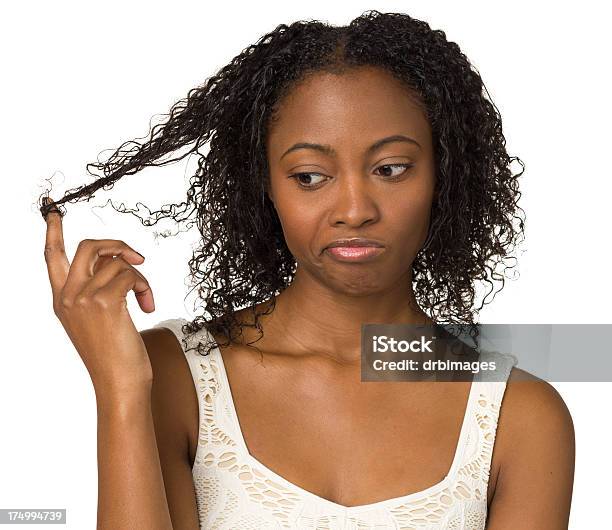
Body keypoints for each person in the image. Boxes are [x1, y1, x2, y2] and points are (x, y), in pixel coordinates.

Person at [40, 10, 575, 529]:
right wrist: (121, 388)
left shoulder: (521, 417)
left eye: (391, 169)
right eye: (310, 176)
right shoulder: (174, 377)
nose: (355, 209)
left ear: (446, 175)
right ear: (263, 187)